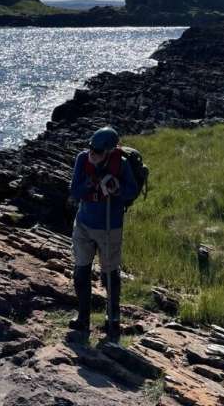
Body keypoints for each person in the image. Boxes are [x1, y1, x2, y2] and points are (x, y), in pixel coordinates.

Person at [68, 126, 138, 343]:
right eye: (91, 147)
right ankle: (83, 316)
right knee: (81, 269)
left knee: (110, 273)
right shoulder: (82, 160)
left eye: (98, 150)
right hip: (84, 224)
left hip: (110, 227)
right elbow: (75, 191)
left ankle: (113, 318)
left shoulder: (122, 165)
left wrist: (116, 189)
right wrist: (92, 181)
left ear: (109, 151)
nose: (92, 152)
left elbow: (132, 191)